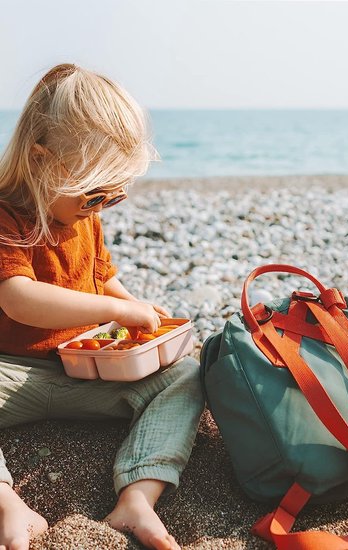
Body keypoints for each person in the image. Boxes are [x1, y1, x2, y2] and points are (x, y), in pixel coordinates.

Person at [0, 64, 204, 550]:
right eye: (95, 195)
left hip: (81, 373)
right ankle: (8, 506)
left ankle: (137, 497)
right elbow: (19, 298)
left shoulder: (82, 217)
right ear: (41, 160)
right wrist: (113, 314)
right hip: (9, 373)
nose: (103, 206)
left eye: (113, 197)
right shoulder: (8, 214)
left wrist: (139, 312)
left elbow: (102, 277)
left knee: (185, 376)